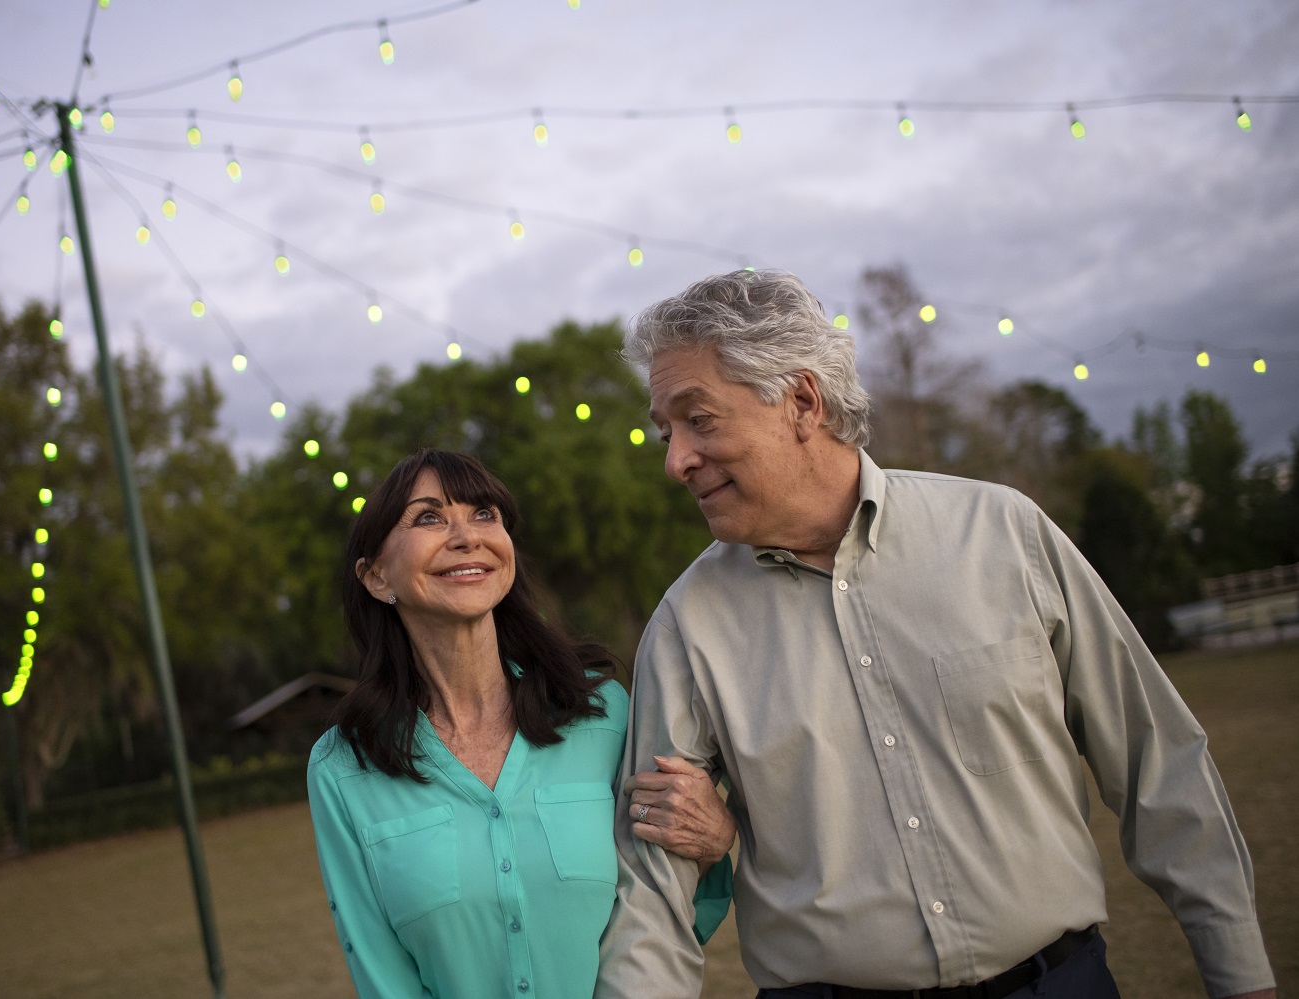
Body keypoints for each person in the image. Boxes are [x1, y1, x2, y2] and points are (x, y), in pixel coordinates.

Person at [596, 270, 1276, 999]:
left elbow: (1159, 761)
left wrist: (1241, 974)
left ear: (800, 400)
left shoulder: (1004, 534)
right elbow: (652, 890)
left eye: (699, 420)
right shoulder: (686, 625)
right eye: (668, 432)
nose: (675, 461)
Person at [308, 448, 737, 999]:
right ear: (374, 576)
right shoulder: (343, 767)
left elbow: (668, 906)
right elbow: (381, 974)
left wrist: (713, 839)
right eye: (429, 517)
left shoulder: (602, 713)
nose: (467, 536)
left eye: (484, 514)